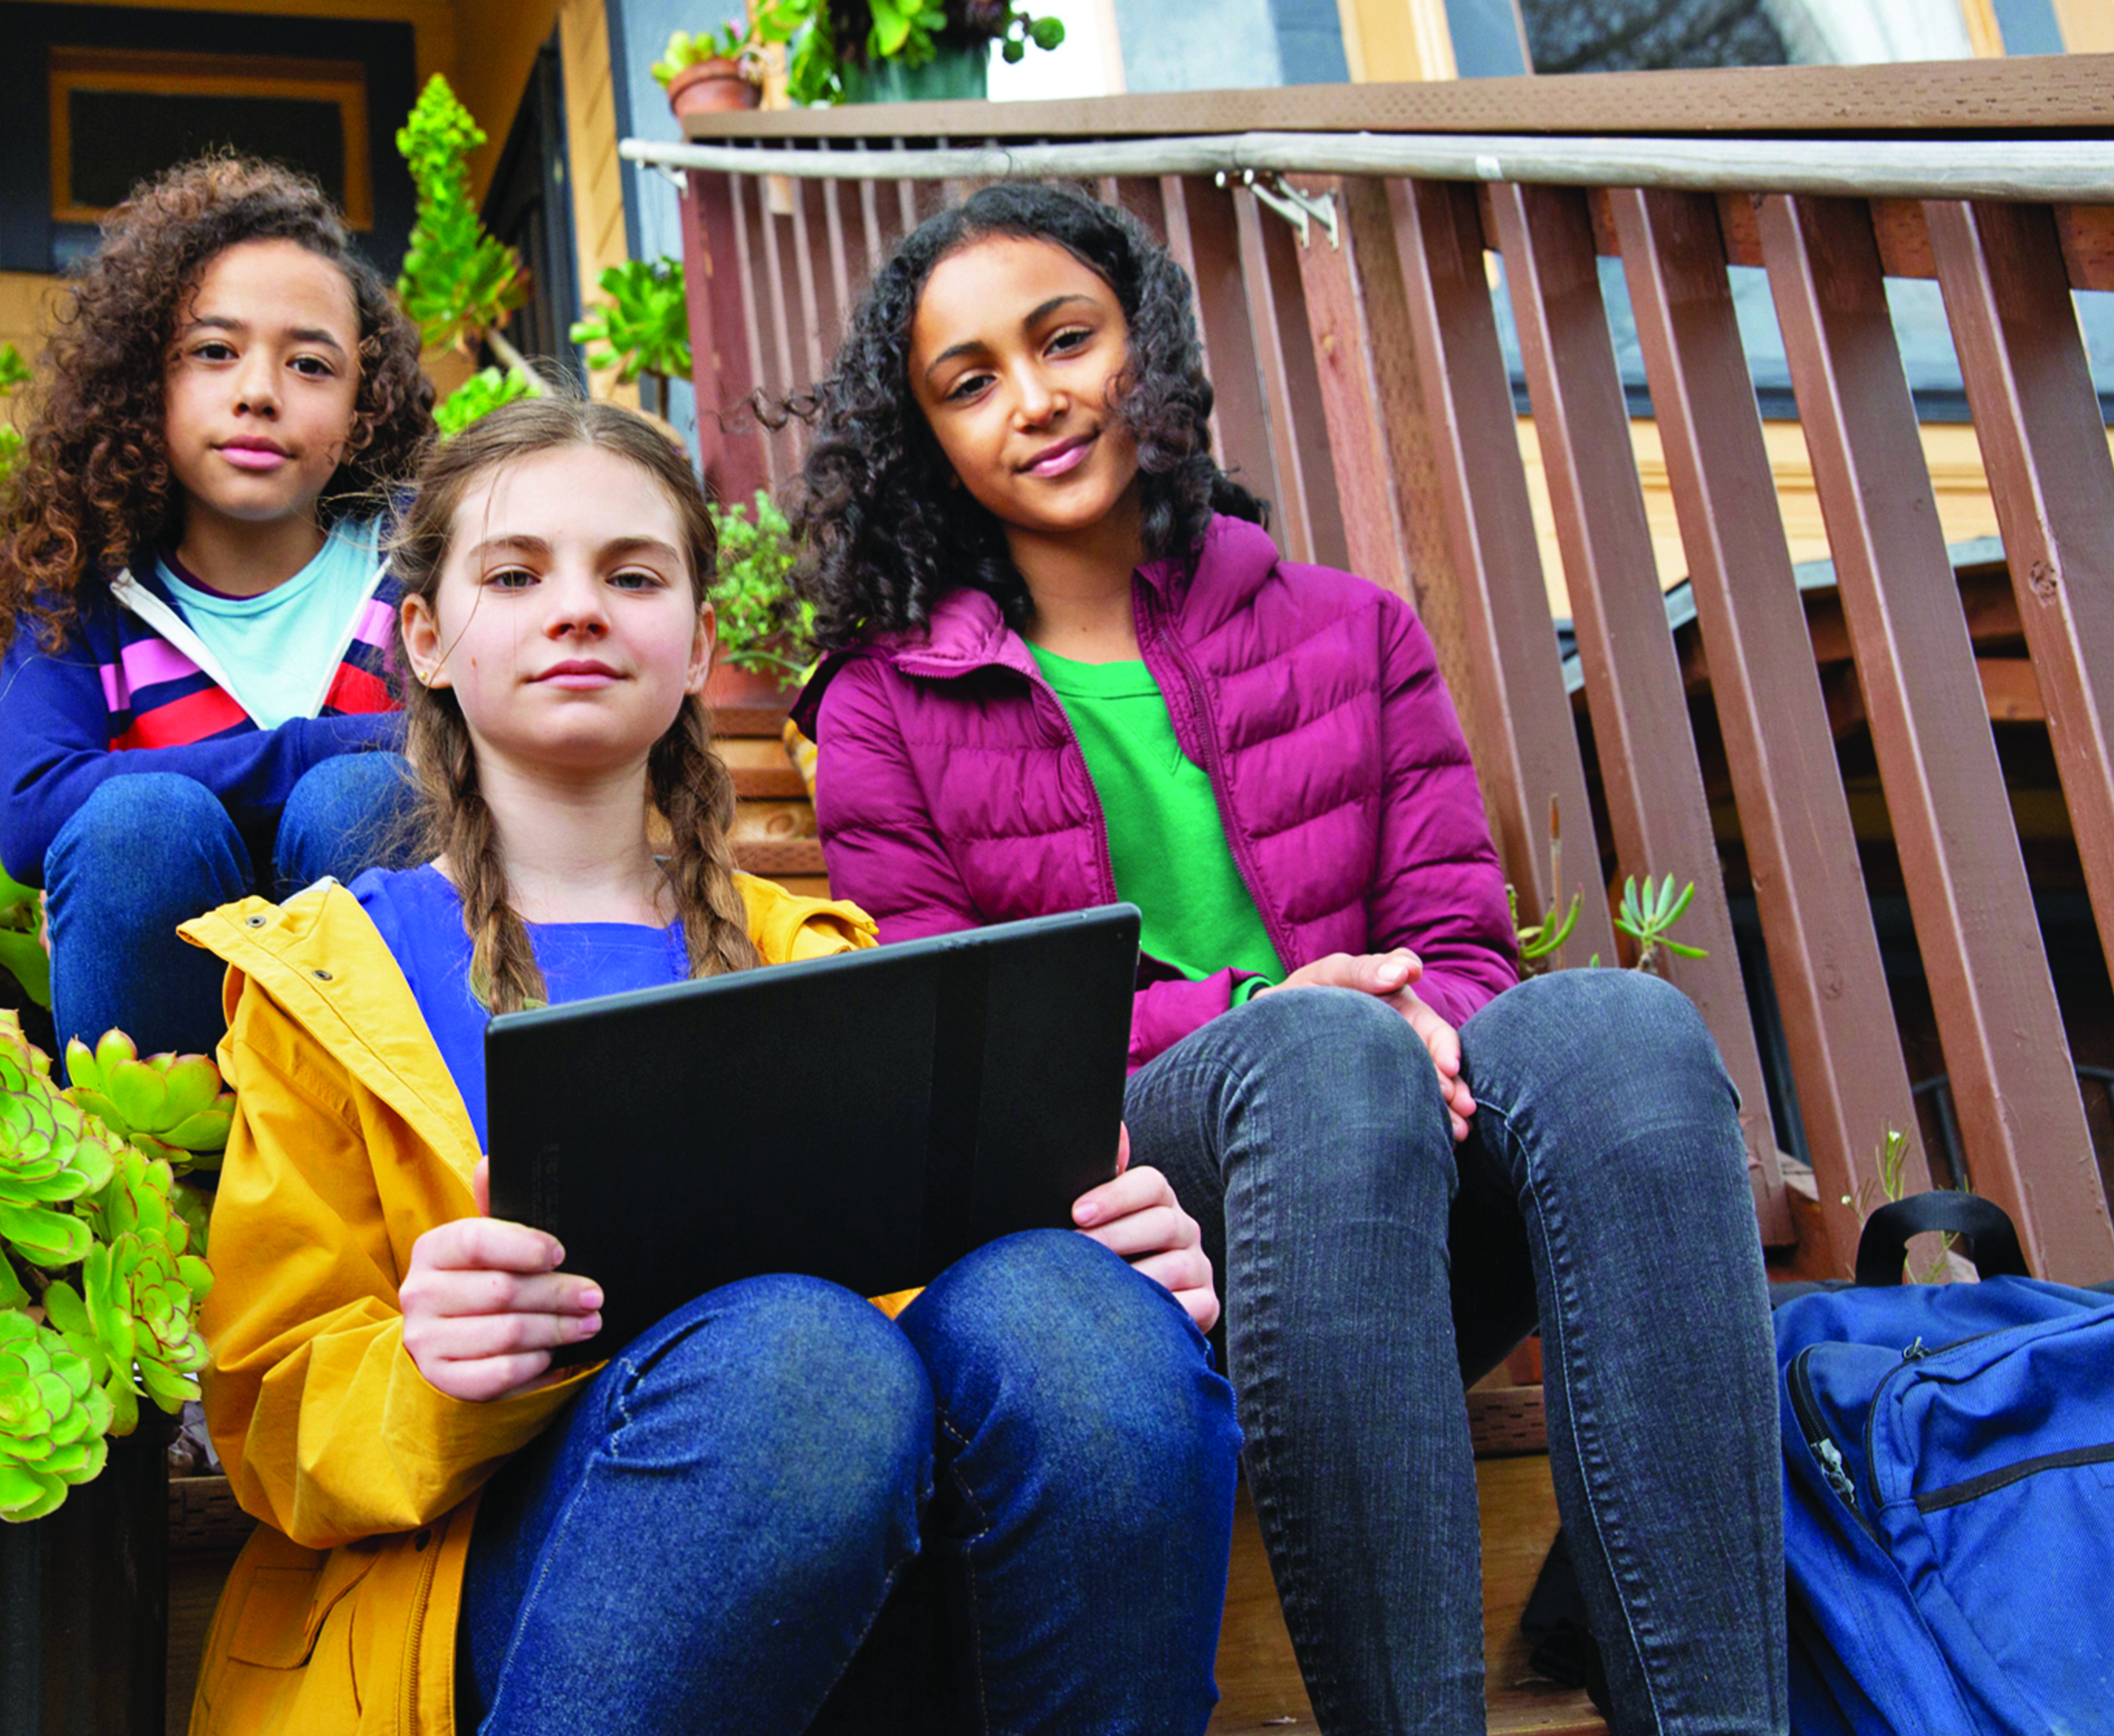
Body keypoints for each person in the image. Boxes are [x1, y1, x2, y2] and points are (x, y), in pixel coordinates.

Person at [790, 180, 1784, 1734]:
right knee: (1322, 1054)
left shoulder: (1349, 630)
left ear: (1151, 352)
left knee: (1620, 1033)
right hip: (1152, 1232)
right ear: (928, 437)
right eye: (970, 381)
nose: (1037, 401)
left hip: (1402, 1209)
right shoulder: (883, 705)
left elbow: (1460, 945)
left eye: (1068, 341)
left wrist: (1413, 1019)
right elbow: (967, 1044)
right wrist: (1285, 1010)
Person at [177, 397, 1241, 1736]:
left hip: (868, 1588)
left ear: (697, 649)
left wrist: (1115, 1271)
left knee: (1073, 1319)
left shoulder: (834, 965)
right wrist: (429, 1371)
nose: (578, 609)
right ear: (429, 640)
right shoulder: (326, 980)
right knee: (796, 1360)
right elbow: (270, 1423)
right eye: (516, 574)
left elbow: (961, 1327)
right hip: (488, 1617)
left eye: (632, 574)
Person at [0, 154, 433, 1056]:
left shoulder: (422, 565)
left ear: (363, 407)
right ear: (148, 381)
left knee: (366, 797)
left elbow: (484, 746)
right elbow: (30, 812)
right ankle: (159, 1179)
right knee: (143, 824)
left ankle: (394, 1167)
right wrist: (299, 749)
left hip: (375, 1074)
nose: (258, 392)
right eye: (213, 352)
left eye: (309, 363)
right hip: (160, 1053)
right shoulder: (80, 586)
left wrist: (310, 769)